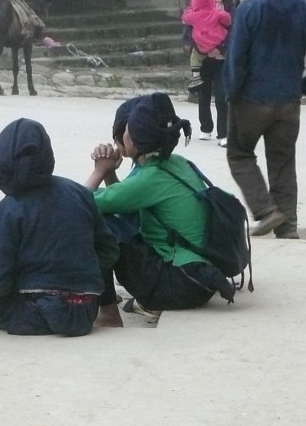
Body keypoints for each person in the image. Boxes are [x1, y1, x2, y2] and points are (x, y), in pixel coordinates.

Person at [86, 94, 237, 328]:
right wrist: (109, 173)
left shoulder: (148, 179)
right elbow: (124, 199)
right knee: (121, 220)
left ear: (133, 140)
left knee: (101, 225)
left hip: (181, 285)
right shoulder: (176, 162)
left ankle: (108, 313)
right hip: (200, 277)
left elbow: (78, 204)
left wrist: (99, 171)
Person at [0, 118, 118, 336]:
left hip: (32, 316)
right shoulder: (80, 194)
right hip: (84, 314)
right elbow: (109, 252)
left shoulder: (9, 209)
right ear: (47, 157)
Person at [223, 0, 306, 239]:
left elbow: (237, 57)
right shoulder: (305, 8)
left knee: (239, 154)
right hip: (288, 101)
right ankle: (288, 227)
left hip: (252, 100)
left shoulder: (249, 8)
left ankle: (265, 210)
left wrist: (231, 92)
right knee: (283, 162)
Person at [183, 0, 236, 145]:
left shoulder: (231, 5)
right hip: (203, 56)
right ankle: (206, 127)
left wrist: (220, 48)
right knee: (203, 94)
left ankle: (223, 134)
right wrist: (201, 48)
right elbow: (191, 29)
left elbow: (233, 29)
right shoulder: (197, 2)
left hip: (222, 58)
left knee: (222, 96)